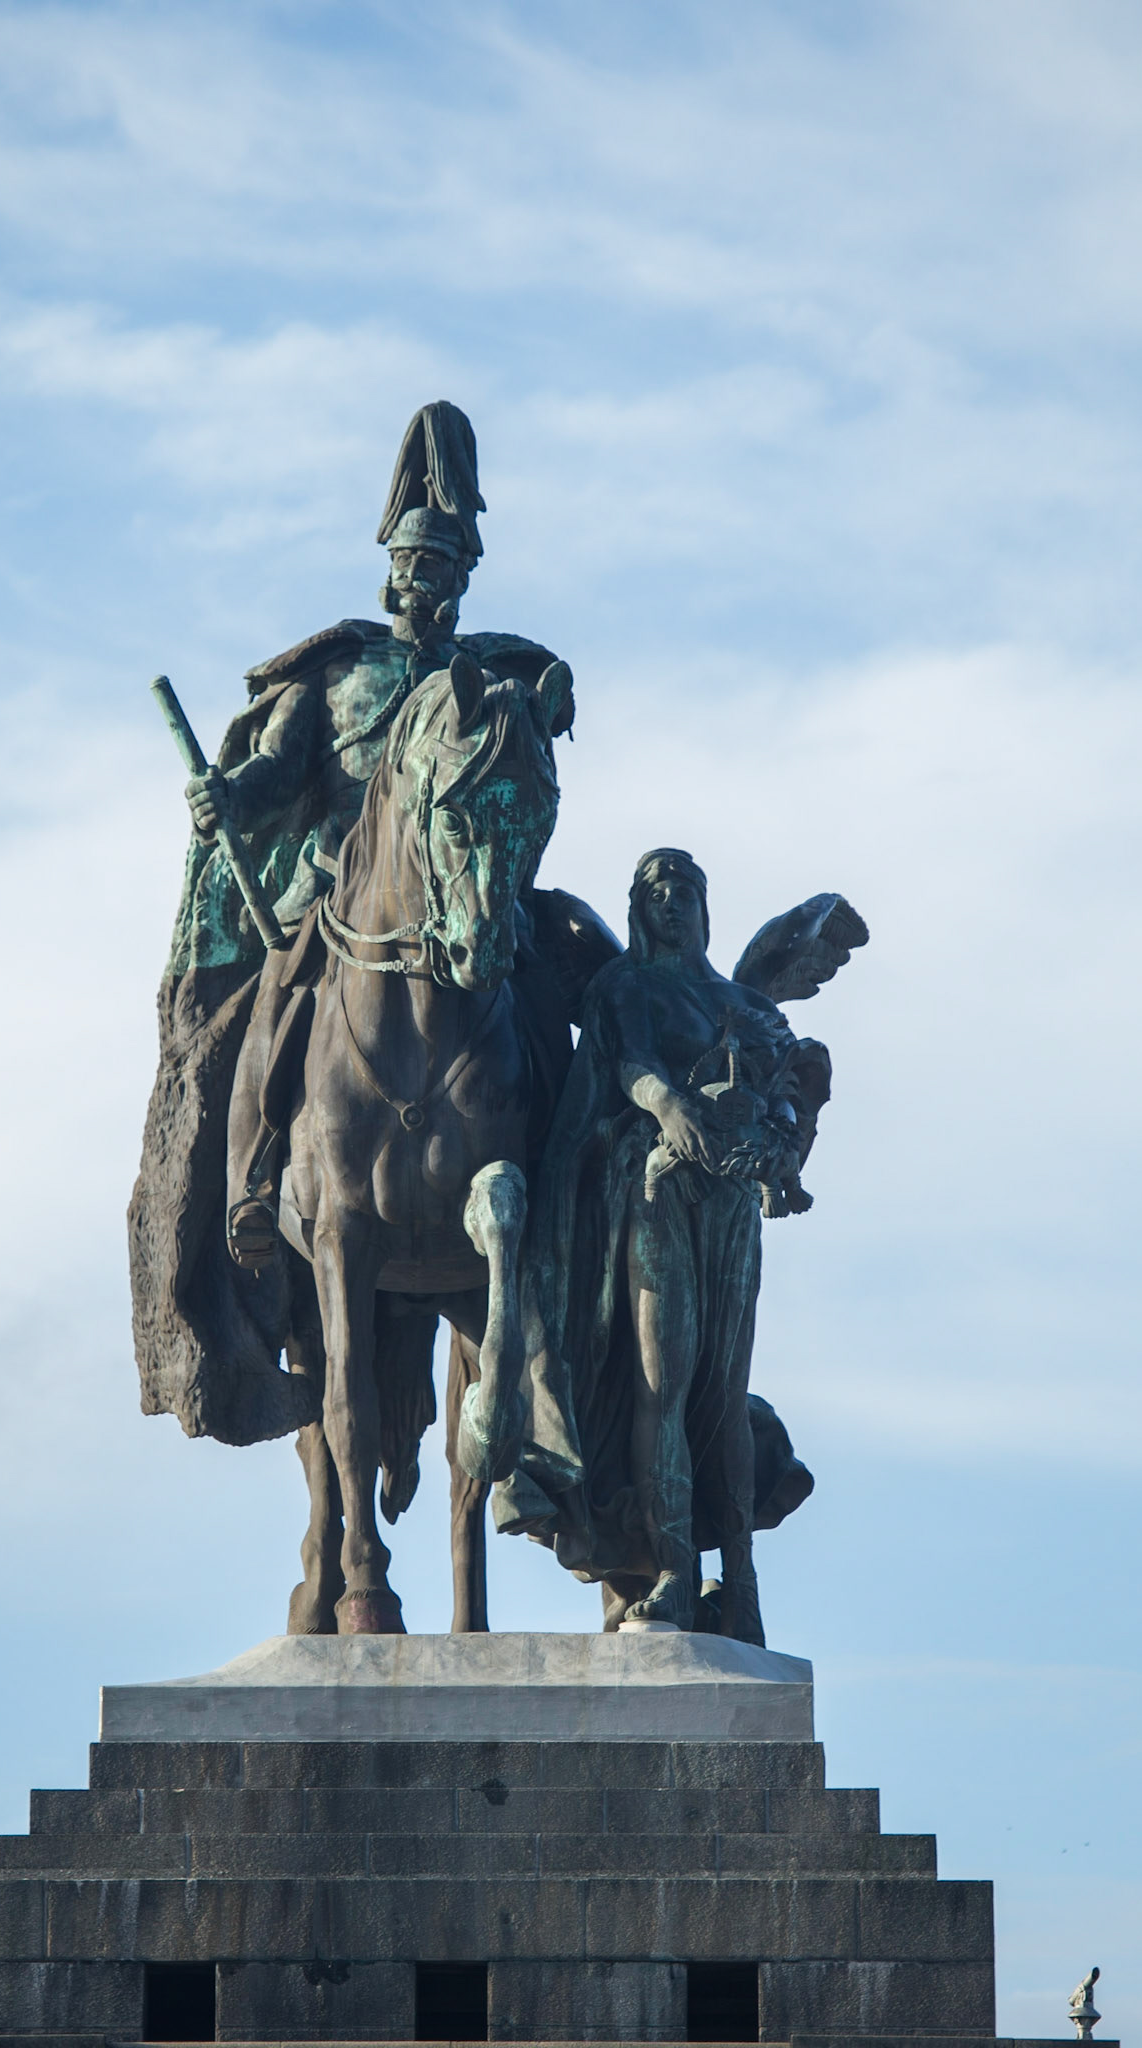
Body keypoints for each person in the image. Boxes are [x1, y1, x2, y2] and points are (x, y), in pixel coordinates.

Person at [129, 403, 579, 1449]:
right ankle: (251, 1181)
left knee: (574, 976)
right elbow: (276, 774)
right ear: (391, 571)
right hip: (345, 908)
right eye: (418, 566)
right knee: (279, 996)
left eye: (447, 570)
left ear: (465, 580)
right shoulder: (340, 674)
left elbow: (536, 742)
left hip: (472, 899)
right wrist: (229, 797)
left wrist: (546, 700)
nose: (430, 584)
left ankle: (578, 1174)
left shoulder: (494, 673)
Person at [495, 849, 835, 1643]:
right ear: (637, 909)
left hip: (727, 1210)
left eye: (682, 890)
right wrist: (670, 1105)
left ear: (703, 907)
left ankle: (741, 1588)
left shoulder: (740, 1001)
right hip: (652, 1194)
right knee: (662, 1384)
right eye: (654, 893)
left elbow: (792, 1076)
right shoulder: (625, 987)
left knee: (720, 1393)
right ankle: (676, 1574)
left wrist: (786, 1140)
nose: (670, 903)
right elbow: (629, 1063)